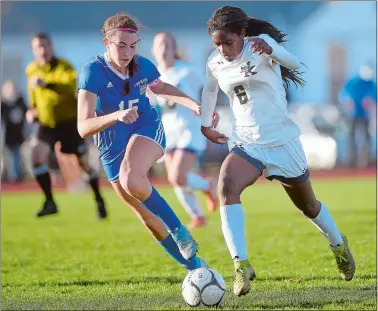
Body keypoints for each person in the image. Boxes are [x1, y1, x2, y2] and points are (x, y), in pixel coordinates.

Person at [200, 6, 356, 296]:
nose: (222, 49)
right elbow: (210, 90)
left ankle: (338, 245)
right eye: (217, 44)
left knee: (308, 206)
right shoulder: (214, 62)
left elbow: (296, 64)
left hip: (283, 143)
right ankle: (240, 265)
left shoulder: (261, 48)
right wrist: (205, 122)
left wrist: (272, 48)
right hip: (247, 143)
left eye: (227, 42)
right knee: (226, 185)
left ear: (242, 34)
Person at [77, 11, 209, 271]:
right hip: (111, 147)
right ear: (107, 42)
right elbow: (83, 127)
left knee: (132, 178)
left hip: (146, 128)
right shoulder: (92, 72)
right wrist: (116, 116)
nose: (127, 53)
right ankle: (196, 269)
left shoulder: (143, 66)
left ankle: (179, 230)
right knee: (146, 217)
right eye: (121, 46)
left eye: (133, 46)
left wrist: (193, 103)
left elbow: (162, 88)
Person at [25, 32, 107, 218]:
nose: (42, 50)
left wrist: (46, 83)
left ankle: (98, 199)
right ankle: (49, 201)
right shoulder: (31, 69)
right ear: (33, 50)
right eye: (38, 47)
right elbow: (33, 95)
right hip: (46, 123)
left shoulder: (64, 66)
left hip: (68, 122)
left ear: (51, 47)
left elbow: (69, 87)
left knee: (84, 163)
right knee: (36, 155)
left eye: (45, 45)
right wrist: (32, 110)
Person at [149, 32, 218, 229]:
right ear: (153, 50)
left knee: (177, 176)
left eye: (167, 44)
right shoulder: (153, 76)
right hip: (168, 131)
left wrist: (206, 110)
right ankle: (198, 216)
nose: (163, 48)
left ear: (174, 49)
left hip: (189, 128)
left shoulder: (187, 71)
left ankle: (207, 187)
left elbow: (209, 89)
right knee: (176, 179)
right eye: (159, 45)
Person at [339, 64, 377, 168]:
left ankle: (367, 160)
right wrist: (348, 102)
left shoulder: (372, 83)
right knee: (351, 137)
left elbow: (375, 97)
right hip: (353, 114)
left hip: (366, 115)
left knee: (367, 138)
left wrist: (371, 102)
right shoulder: (353, 82)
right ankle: (351, 161)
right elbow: (344, 95)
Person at [1, 80, 28, 183]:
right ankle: (9, 175)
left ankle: (16, 176)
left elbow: (25, 119)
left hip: (18, 135)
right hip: (6, 136)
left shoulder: (21, 103)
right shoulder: (3, 105)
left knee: (17, 155)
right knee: (7, 156)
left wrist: (26, 131)